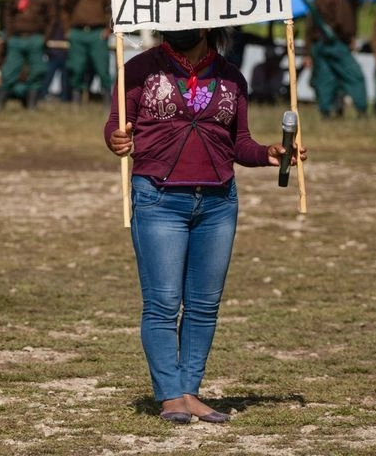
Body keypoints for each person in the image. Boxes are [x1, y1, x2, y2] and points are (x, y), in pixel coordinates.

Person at [105, 27, 305, 425]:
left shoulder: (232, 77)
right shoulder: (137, 70)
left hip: (218, 203)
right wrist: (117, 141)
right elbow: (115, 128)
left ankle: (189, 392)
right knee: (162, 303)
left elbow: (239, 143)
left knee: (203, 306)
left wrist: (268, 153)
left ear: (209, 25)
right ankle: (169, 396)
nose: (178, 28)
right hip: (157, 198)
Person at [305, 0, 368, 118]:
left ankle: (325, 113)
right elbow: (345, 23)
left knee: (325, 79)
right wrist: (349, 38)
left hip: (319, 45)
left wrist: (308, 52)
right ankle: (361, 110)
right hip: (337, 45)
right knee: (354, 76)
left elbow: (309, 28)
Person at [0, 0, 57, 110]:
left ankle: (32, 104)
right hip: (17, 39)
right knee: (9, 71)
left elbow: (52, 18)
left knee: (36, 71)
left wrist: (45, 38)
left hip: (35, 39)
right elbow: (7, 15)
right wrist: (10, 35)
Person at [64, 0, 113, 105]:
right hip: (77, 33)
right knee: (76, 68)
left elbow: (111, 8)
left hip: (97, 33)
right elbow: (64, 8)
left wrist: (108, 28)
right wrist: (67, 30)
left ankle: (108, 102)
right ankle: (77, 102)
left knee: (102, 68)